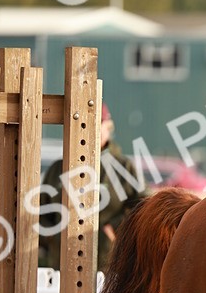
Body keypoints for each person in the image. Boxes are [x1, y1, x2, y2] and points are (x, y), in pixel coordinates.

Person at [39, 103, 147, 273]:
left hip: (109, 267)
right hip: (62, 266)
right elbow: (40, 212)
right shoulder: (58, 169)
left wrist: (116, 229)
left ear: (108, 128)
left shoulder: (123, 167)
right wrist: (53, 237)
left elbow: (143, 207)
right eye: (83, 124)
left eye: (96, 125)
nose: (89, 130)